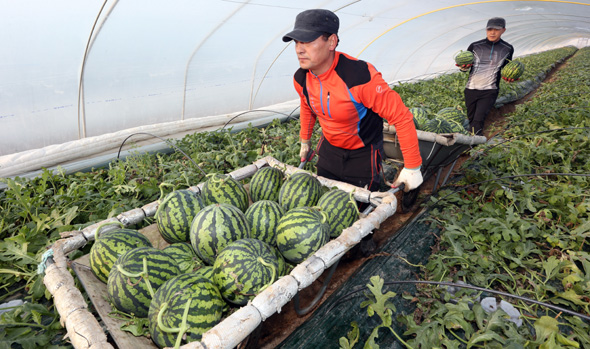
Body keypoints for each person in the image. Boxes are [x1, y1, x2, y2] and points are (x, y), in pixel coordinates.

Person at [282, 9, 423, 197]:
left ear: (331, 42)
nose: (299, 49)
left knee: (359, 208)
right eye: (297, 42)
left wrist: (412, 166)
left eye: (307, 41)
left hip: (363, 153)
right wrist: (305, 140)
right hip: (329, 148)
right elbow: (307, 106)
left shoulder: (359, 76)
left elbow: (402, 118)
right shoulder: (301, 78)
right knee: (326, 199)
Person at [457, 17, 515, 136]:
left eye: (496, 29)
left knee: (479, 120)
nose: (492, 32)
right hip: (471, 89)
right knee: (472, 119)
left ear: (503, 30)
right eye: (489, 29)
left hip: (490, 90)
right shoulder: (475, 46)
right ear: (486, 30)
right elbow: (465, 67)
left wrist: (510, 77)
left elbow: (507, 69)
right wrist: (463, 67)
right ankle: (471, 143)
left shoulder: (508, 48)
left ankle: (473, 147)